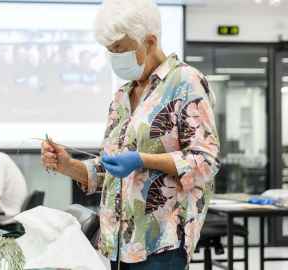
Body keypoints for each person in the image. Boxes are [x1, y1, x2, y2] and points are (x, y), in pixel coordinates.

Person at [41, 0, 220, 269]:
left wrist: (142, 159)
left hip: (161, 241)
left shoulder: (185, 82)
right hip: (116, 242)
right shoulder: (122, 96)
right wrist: (69, 166)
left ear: (149, 41)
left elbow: (206, 162)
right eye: (109, 51)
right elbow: (111, 172)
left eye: (120, 49)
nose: (114, 57)